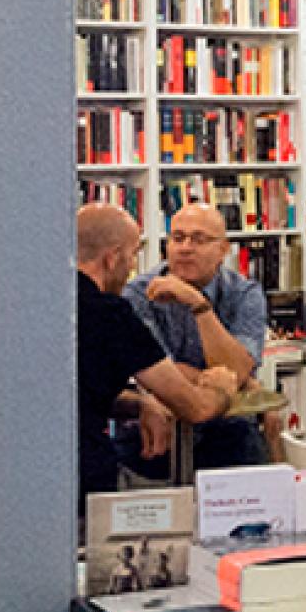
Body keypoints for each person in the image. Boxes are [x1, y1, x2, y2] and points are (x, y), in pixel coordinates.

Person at [76, 204, 238, 505]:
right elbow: (195, 408)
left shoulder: (49, 301)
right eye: (133, 255)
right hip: (85, 477)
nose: (133, 267)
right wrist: (222, 389)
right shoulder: (110, 313)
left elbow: (79, 392)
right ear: (112, 259)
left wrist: (140, 404)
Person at [119, 203, 268, 476]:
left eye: (199, 240)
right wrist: (233, 381)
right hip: (157, 425)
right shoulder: (138, 294)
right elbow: (159, 375)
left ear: (223, 250)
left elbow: (235, 369)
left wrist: (199, 306)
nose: (185, 248)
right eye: (177, 238)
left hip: (229, 428)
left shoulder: (245, 293)